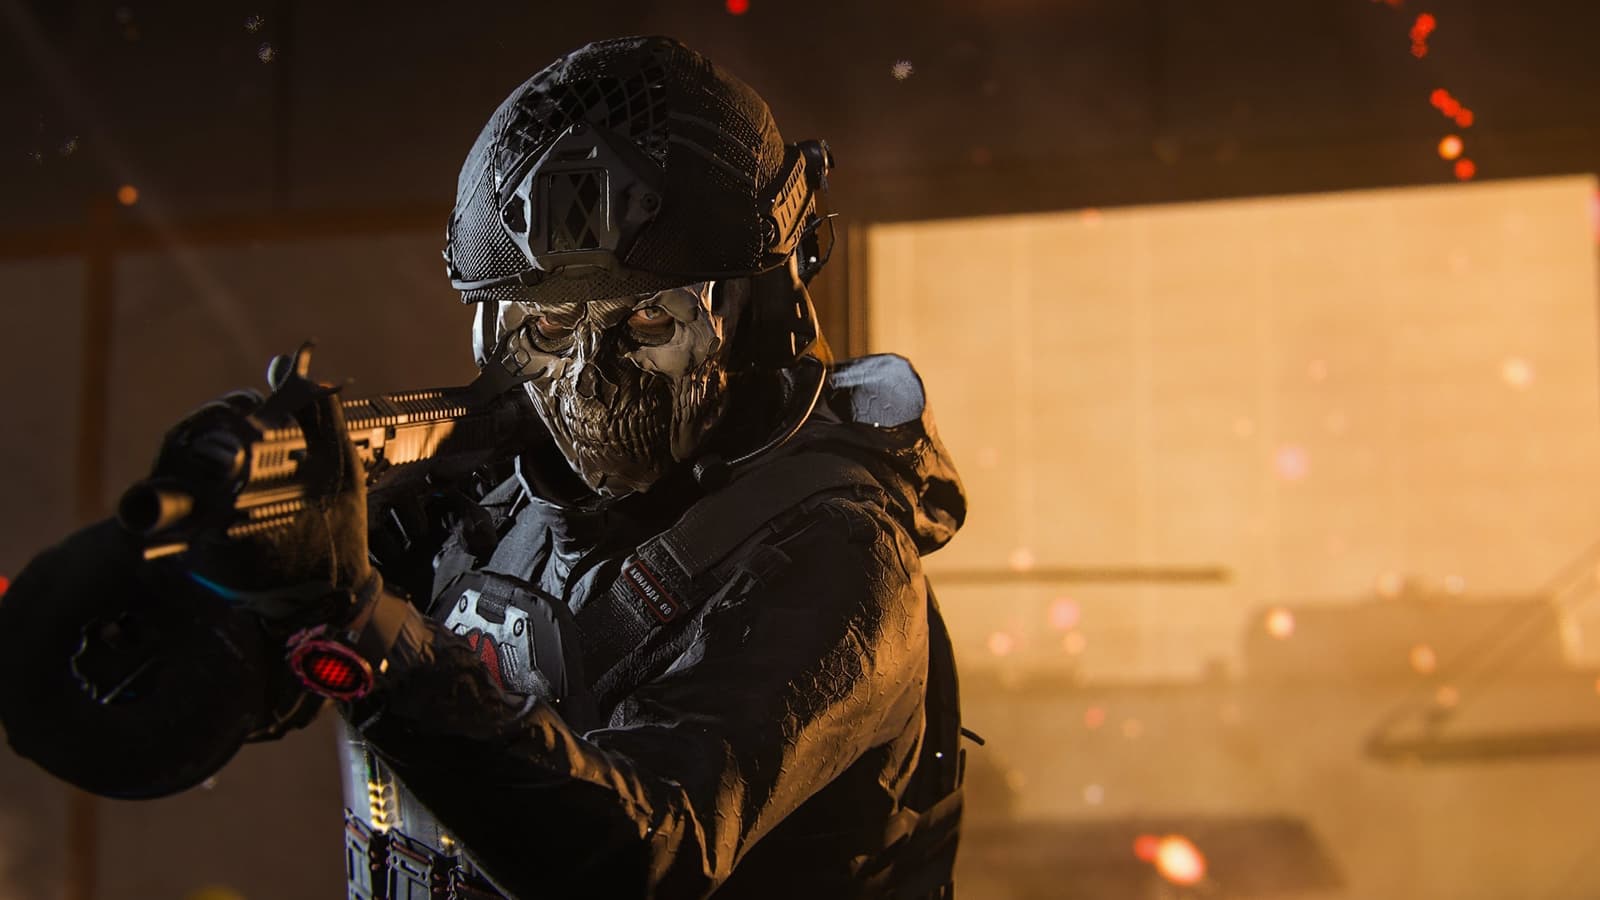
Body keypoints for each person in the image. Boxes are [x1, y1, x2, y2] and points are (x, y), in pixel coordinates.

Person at [0, 36, 969, 899]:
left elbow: (640, 857)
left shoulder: (836, 555)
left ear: (758, 311)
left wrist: (356, 627)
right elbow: (180, 717)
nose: (590, 377)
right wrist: (215, 579)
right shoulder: (486, 489)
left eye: (648, 317)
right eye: (548, 324)